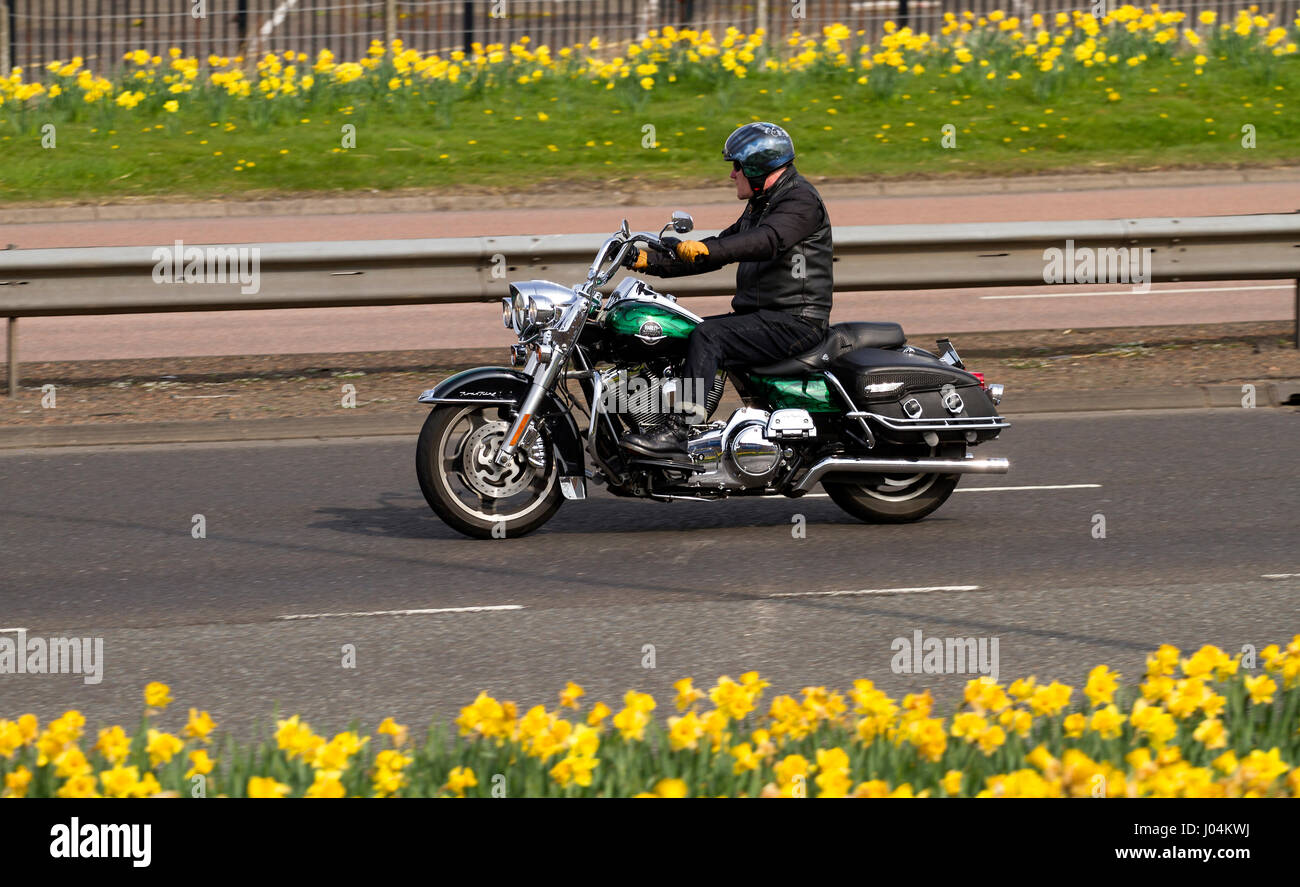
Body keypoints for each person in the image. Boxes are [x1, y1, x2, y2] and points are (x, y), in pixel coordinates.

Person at [618, 122, 833, 456]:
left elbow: (767, 240)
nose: (732, 175)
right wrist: (652, 261)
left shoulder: (800, 201)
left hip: (795, 321)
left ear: (756, 166)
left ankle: (679, 430)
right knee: (683, 333)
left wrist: (708, 250)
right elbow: (722, 245)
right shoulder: (764, 203)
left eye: (736, 166)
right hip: (765, 316)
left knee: (709, 336)